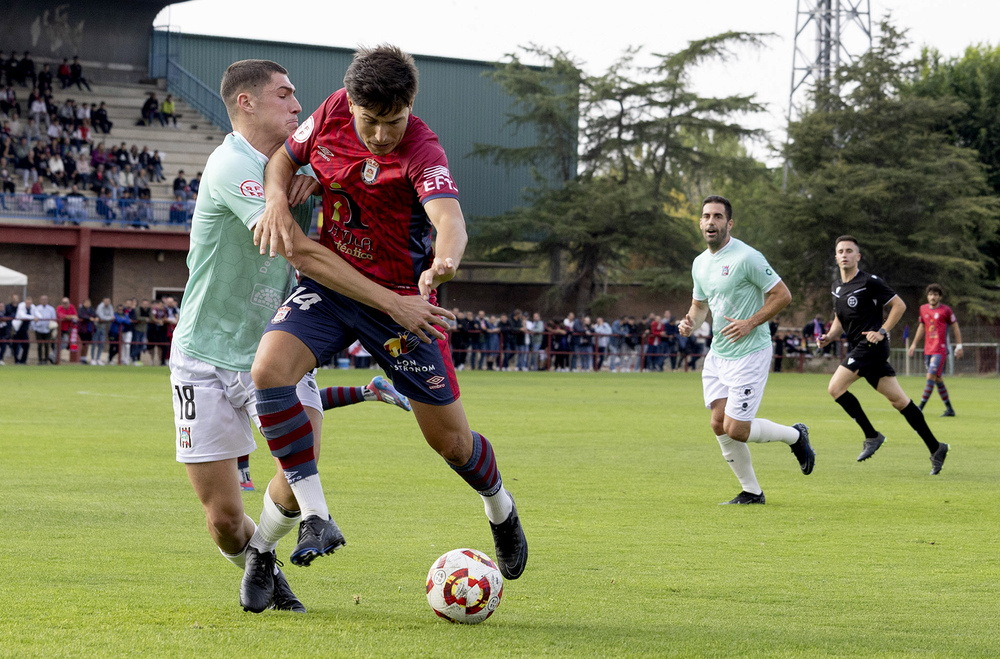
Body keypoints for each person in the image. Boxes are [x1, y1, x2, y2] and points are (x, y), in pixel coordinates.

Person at [169, 58, 450, 614]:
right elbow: (297, 250)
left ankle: (263, 559)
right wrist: (393, 302)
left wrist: (318, 176)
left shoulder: (304, 158)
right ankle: (258, 560)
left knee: (300, 466)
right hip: (202, 355)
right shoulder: (231, 165)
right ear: (246, 103)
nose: (298, 105)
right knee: (225, 520)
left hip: (278, 348)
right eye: (284, 94)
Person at [252, 46, 527, 583]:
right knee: (270, 371)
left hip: (404, 305)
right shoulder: (332, 110)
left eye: (393, 121)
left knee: (450, 443)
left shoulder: (423, 150)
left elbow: (449, 218)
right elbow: (285, 157)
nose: (381, 135)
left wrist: (445, 260)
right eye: (370, 121)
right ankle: (315, 518)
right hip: (333, 288)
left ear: (411, 106)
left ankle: (500, 506)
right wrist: (277, 200)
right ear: (350, 102)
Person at [678, 196, 814, 505]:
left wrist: (749, 323)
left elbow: (782, 295)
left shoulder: (747, 257)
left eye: (717, 217)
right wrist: (690, 324)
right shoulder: (700, 263)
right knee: (718, 423)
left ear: (729, 223)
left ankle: (796, 436)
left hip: (750, 351)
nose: (710, 222)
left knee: (736, 429)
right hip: (718, 354)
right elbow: (700, 307)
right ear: (700, 222)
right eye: (705, 216)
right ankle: (752, 492)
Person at [818, 236, 950, 474]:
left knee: (835, 388)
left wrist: (882, 331)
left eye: (850, 251)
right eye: (841, 251)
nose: (845, 254)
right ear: (836, 257)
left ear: (857, 257)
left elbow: (899, 305)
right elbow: (840, 319)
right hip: (860, 348)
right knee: (900, 401)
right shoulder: (836, 287)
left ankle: (872, 436)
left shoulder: (870, 282)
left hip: (872, 347)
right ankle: (936, 447)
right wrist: (829, 336)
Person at [907, 283, 963, 417]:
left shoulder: (946, 311)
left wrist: (959, 346)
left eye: (935, 295)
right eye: (930, 294)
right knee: (937, 378)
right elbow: (921, 327)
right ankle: (949, 409)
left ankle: (919, 408)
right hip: (928, 349)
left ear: (940, 297)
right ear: (927, 296)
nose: (932, 297)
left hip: (940, 349)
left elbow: (955, 327)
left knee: (931, 375)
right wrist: (914, 344)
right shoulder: (923, 309)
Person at [32, 294, 57, 364]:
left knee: (47, 345)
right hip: (39, 329)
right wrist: (35, 327)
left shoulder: (51, 309)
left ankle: (46, 360)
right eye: (42, 300)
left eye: (45, 300)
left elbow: (54, 319)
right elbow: (33, 318)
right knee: (39, 345)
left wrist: (52, 328)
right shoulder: (36, 308)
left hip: (47, 330)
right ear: (40, 300)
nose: (44, 301)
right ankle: (40, 360)